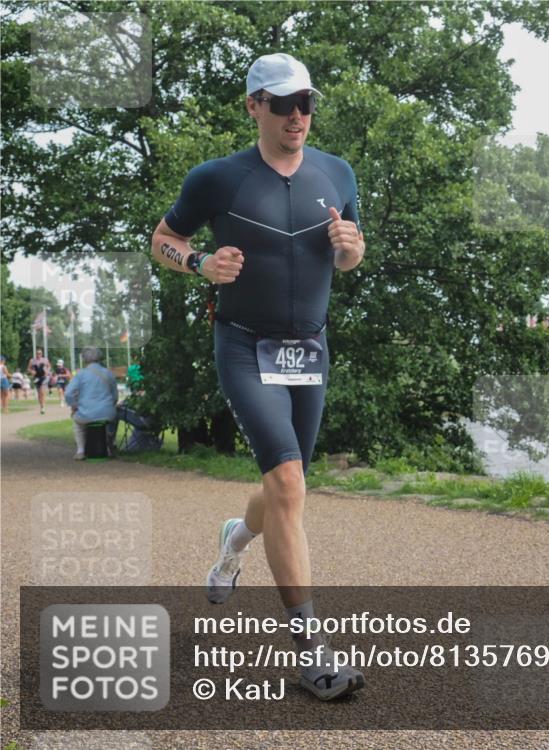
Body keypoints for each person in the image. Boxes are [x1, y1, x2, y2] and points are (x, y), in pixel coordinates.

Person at [150, 53, 366, 701]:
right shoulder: (218, 179)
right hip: (243, 346)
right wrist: (197, 263)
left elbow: (352, 253)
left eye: (306, 102)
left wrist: (351, 251)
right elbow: (161, 238)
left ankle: (233, 541)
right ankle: (313, 653)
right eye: (282, 103)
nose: (297, 115)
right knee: (289, 484)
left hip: (311, 349)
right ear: (254, 107)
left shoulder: (338, 172)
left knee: (286, 490)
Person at [64, 347, 119, 460]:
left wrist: (74, 406)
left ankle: (81, 450)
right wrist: (110, 405)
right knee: (111, 421)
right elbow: (115, 395)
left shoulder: (81, 374)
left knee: (78, 423)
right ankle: (108, 446)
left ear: (84, 359)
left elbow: (69, 393)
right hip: (107, 413)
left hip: (86, 413)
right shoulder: (108, 373)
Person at [27, 349, 50, 414]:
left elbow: (49, 366)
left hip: (44, 377)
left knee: (42, 392)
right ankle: (41, 406)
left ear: (42, 354)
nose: (39, 354)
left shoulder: (45, 360)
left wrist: (47, 371)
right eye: (37, 353)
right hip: (36, 377)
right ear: (36, 354)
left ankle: (43, 407)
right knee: (39, 393)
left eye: (40, 353)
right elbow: (28, 368)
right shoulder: (32, 360)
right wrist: (31, 371)